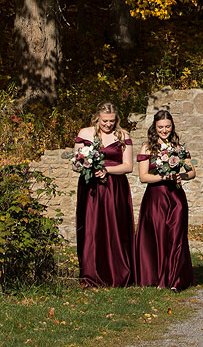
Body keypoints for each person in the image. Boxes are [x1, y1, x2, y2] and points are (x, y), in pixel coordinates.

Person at [73, 102, 135, 287]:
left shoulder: (123, 135)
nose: (108, 125)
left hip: (115, 188)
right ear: (97, 118)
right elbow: (75, 162)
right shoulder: (85, 134)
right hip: (90, 186)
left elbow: (128, 166)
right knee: (91, 228)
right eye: (104, 121)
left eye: (111, 121)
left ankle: (117, 274)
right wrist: (86, 166)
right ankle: (90, 274)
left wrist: (107, 169)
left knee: (115, 229)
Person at [135, 110, 195, 291]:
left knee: (176, 236)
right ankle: (158, 277)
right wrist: (163, 177)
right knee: (158, 236)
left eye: (167, 126)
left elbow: (192, 172)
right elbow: (144, 177)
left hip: (176, 197)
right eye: (160, 127)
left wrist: (181, 176)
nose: (164, 130)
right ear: (154, 127)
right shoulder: (147, 148)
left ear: (172, 126)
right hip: (155, 199)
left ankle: (176, 279)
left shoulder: (179, 147)